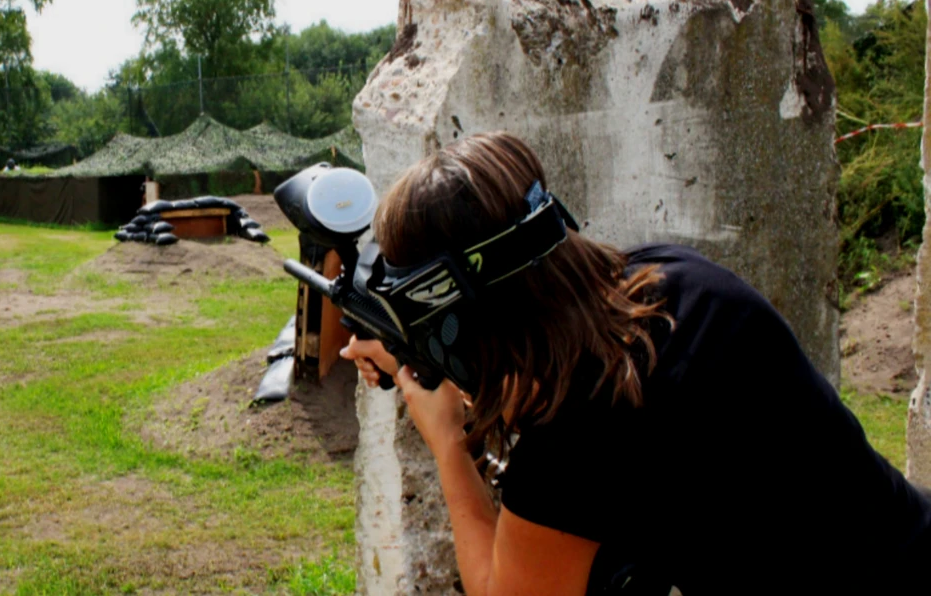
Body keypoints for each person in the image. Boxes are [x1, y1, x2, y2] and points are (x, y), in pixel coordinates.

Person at [340, 132, 931, 595]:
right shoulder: (675, 279)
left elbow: (508, 587)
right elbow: (621, 416)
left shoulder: (574, 442)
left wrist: (447, 441)